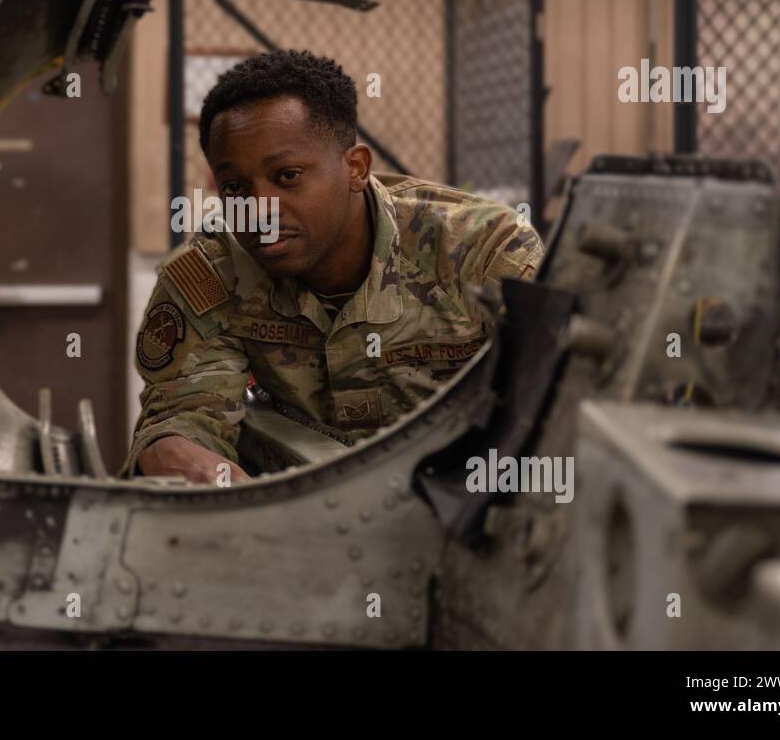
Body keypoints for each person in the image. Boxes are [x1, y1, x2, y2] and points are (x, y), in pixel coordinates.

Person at [120, 49, 543, 483]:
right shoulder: (213, 274)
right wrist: (186, 459)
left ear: (355, 169)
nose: (258, 209)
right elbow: (185, 417)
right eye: (234, 186)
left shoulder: (482, 252)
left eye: (287, 176)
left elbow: (556, 409)